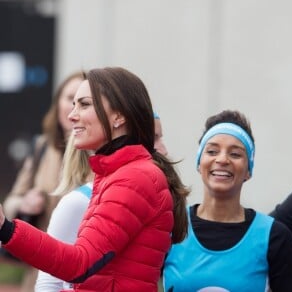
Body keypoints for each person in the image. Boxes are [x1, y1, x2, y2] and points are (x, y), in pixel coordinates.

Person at [0, 66, 190, 292]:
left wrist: (6, 229)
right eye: (73, 104)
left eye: (84, 104)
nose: (72, 116)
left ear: (119, 116)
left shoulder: (135, 177)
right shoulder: (120, 174)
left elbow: (78, 264)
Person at [163, 109, 292, 292]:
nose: (222, 159)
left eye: (235, 154)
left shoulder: (274, 237)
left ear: (249, 170)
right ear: (199, 163)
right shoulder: (170, 226)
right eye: (212, 151)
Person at [35, 111, 169, 291]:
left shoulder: (156, 194)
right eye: (154, 138)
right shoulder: (76, 202)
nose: (164, 149)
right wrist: (8, 230)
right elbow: (49, 282)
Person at [1, 71, 84, 292]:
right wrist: (24, 203)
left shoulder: (98, 152)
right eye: (69, 99)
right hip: (39, 270)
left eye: (83, 102)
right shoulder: (43, 147)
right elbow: (12, 201)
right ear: (57, 103)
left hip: (82, 272)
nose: (74, 108)